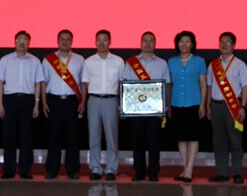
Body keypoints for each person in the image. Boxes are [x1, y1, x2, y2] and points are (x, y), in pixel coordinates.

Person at [120, 31, 171, 182]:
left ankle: (153, 172)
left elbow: (167, 85)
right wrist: (123, 106)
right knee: (137, 142)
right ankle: (139, 171)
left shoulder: (162, 63)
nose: (148, 44)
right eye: (145, 41)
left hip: (154, 110)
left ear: (155, 44)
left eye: (151, 41)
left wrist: (166, 105)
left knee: (154, 142)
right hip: (136, 110)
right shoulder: (131, 63)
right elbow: (126, 85)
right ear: (140, 43)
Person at [0, 30, 44, 180]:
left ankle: (25, 170)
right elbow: (0, 83)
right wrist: (0, 104)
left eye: (25, 40)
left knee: (26, 136)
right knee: (9, 136)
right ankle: (8, 170)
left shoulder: (35, 61)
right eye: (19, 40)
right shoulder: (5, 60)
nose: (22, 43)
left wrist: (36, 104)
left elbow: (38, 84)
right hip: (10, 100)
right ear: (14, 42)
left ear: (29, 43)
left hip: (28, 100)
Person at [206, 32, 247, 184]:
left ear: (234, 45)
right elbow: (209, 86)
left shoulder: (240, 64)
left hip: (233, 107)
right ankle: (222, 173)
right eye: (222, 42)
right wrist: (208, 106)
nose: (224, 45)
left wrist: (243, 107)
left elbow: (246, 87)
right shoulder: (213, 65)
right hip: (216, 106)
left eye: (228, 42)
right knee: (219, 142)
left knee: (235, 141)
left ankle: (237, 173)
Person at [41, 29, 86, 180]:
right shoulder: (49, 59)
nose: (65, 42)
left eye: (68, 39)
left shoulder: (79, 59)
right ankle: (52, 169)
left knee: (73, 137)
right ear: (57, 41)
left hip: (72, 101)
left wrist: (82, 101)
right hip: (54, 101)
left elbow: (83, 83)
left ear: (71, 41)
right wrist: (43, 102)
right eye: (62, 39)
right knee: (53, 137)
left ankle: (73, 169)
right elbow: (43, 82)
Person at [82, 29, 124, 181]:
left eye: (104, 39)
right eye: (98, 40)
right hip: (94, 100)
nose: (101, 43)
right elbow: (85, 84)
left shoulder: (118, 61)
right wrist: (84, 102)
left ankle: (111, 169)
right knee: (94, 136)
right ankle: (96, 168)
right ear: (95, 42)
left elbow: (122, 84)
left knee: (111, 137)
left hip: (111, 101)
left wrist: (122, 105)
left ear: (110, 42)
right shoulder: (89, 61)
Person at [167, 30, 207, 183]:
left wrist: (203, 104)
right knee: (181, 138)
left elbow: (203, 84)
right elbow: (170, 84)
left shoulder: (199, 61)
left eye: (187, 41)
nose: (184, 44)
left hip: (194, 103)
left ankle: (189, 170)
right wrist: (168, 104)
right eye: (181, 41)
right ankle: (185, 169)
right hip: (176, 103)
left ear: (192, 44)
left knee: (193, 137)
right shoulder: (171, 62)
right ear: (177, 44)